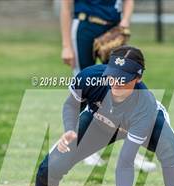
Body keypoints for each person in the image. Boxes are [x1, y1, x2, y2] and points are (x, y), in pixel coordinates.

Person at [6, 46, 174, 186]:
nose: (116, 82)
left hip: (144, 123)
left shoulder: (145, 105)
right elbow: (71, 105)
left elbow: (125, 160)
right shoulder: (90, 78)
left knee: (171, 154)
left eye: (124, 78)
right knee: (53, 164)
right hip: (100, 122)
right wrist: (70, 129)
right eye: (113, 75)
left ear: (138, 78)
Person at [60, 0, 156, 172]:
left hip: (112, 28)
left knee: (126, 89)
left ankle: (132, 150)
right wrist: (66, 45)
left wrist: (125, 22)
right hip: (84, 27)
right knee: (86, 88)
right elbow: (66, 7)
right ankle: (85, 147)